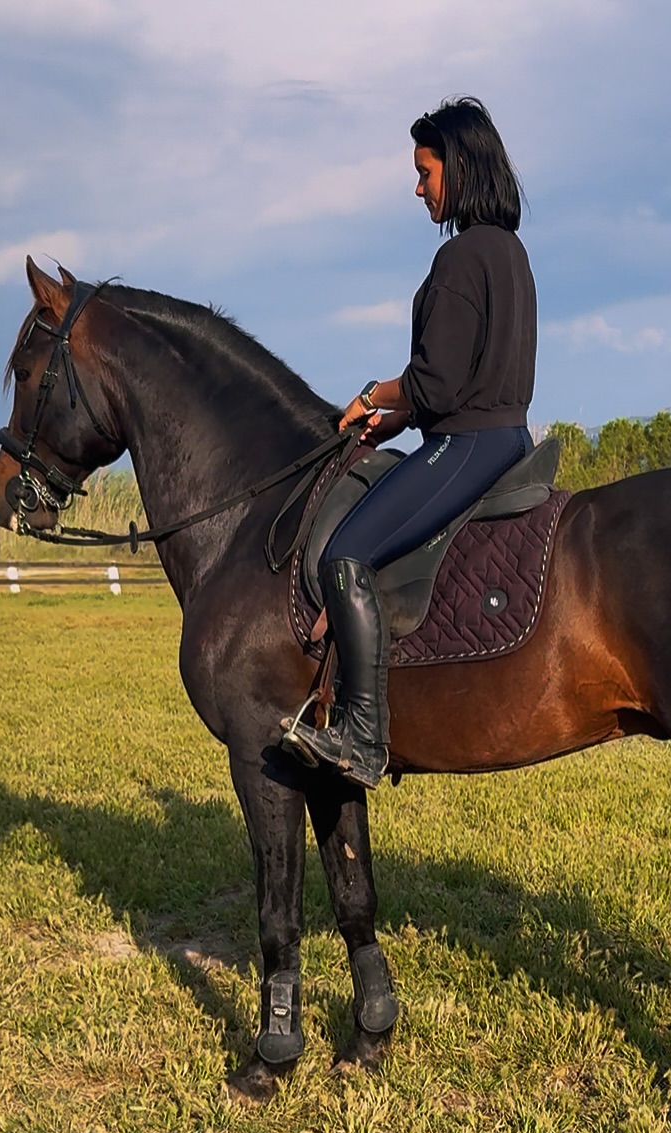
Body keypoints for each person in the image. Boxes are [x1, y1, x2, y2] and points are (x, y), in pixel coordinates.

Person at [284, 96, 538, 789]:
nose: (417, 186)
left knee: (344, 554)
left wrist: (375, 395)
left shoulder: (461, 257)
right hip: (504, 437)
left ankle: (363, 737)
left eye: (424, 171)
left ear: (454, 168)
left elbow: (435, 377)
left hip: (466, 446)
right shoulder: (510, 253)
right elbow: (461, 382)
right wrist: (402, 419)